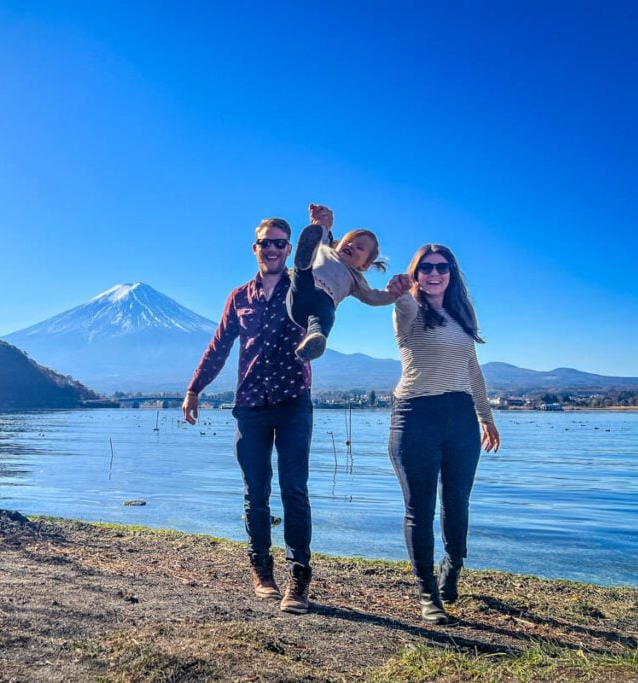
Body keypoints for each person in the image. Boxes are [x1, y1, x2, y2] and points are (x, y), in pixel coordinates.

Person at [182, 217, 315, 614]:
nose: (271, 249)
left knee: (294, 491)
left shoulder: (304, 288)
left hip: (293, 402)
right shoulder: (239, 296)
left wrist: (323, 230)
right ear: (254, 248)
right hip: (250, 406)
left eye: (279, 243)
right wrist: (194, 388)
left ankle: (299, 579)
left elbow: (330, 281)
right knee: (255, 493)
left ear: (289, 249)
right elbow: (219, 345)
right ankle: (262, 571)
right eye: (264, 243)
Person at [385, 244, 502, 624]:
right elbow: (400, 300)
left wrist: (486, 418)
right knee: (420, 508)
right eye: (426, 268)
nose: (434, 273)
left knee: (457, 501)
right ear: (417, 273)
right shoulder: (409, 310)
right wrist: (399, 288)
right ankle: (427, 594)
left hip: (461, 417)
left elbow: (472, 369)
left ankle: (452, 567)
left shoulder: (460, 314)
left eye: (442, 267)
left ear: (451, 273)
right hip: (416, 415)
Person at [288, 204, 397, 361]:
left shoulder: (356, 278)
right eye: (349, 241)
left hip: (324, 302)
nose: (351, 245)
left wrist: (393, 294)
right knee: (303, 275)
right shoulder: (325, 249)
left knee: (326, 316)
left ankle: (314, 341)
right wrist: (321, 221)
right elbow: (322, 231)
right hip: (304, 289)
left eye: (359, 248)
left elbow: (373, 297)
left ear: (363, 266)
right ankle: (303, 261)